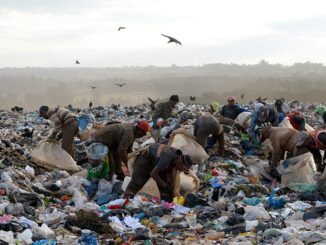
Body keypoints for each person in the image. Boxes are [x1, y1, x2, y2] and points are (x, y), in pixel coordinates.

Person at [124, 143, 193, 201]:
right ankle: (125, 200)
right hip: (145, 159)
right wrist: (165, 185)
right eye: (181, 169)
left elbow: (170, 173)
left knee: (167, 188)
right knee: (137, 182)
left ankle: (167, 206)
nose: (180, 171)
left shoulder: (178, 157)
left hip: (156, 161)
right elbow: (153, 174)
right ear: (180, 163)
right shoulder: (167, 157)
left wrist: (169, 185)